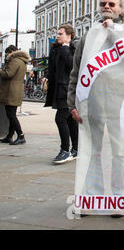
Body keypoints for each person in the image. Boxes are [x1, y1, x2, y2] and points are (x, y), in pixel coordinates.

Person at [67, 0, 124, 217]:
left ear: (120, 9)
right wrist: (72, 103)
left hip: (119, 103)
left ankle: (119, 199)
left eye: (111, 4)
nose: (106, 6)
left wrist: (113, 31)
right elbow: (76, 72)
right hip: (91, 102)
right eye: (103, 3)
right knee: (92, 151)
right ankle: (94, 197)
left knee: (120, 152)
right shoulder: (88, 37)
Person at [44, 24, 79, 164]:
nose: (57, 36)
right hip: (58, 89)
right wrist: (47, 76)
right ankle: (76, 149)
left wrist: (65, 47)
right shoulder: (56, 50)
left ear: (69, 35)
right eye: (57, 34)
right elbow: (54, 68)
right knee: (70, 120)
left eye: (60, 34)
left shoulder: (72, 48)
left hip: (68, 90)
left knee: (60, 119)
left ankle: (65, 150)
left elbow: (72, 65)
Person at [0, 45, 31, 145]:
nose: (7, 56)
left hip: (11, 90)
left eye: (7, 53)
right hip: (15, 90)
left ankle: (21, 135)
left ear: (12, 52)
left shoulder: (14, 61)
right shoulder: (21, 61)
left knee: (11, 114)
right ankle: (9, 136)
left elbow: (8, 74)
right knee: (11, 113)